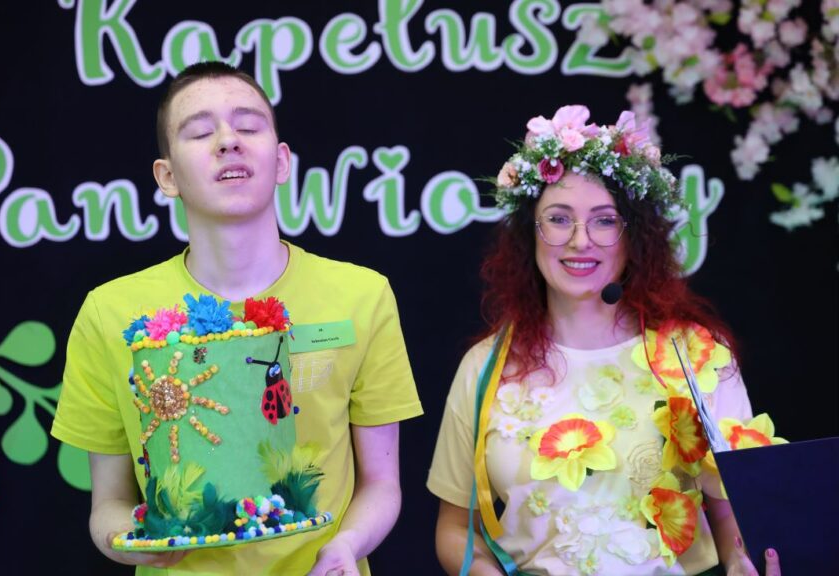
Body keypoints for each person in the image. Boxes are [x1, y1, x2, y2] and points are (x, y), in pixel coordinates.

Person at [51, 61, 423, 576]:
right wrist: (132, 540)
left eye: (248, 126)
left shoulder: (363, 294)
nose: (228, 141)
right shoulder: (109, 311)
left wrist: (347, 546)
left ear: (282, 160)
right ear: (167, 177)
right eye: (200, 132)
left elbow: (381, 484)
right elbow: (108, 503)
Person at [427, 105, 782, 575]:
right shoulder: (486, 366)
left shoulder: (694, 354)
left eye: (605, 220)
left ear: (634, 236)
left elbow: (736, 508)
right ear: (529, 232)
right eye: (558, 219)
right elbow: (457, 528)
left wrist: (741, 560)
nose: (580, 241)